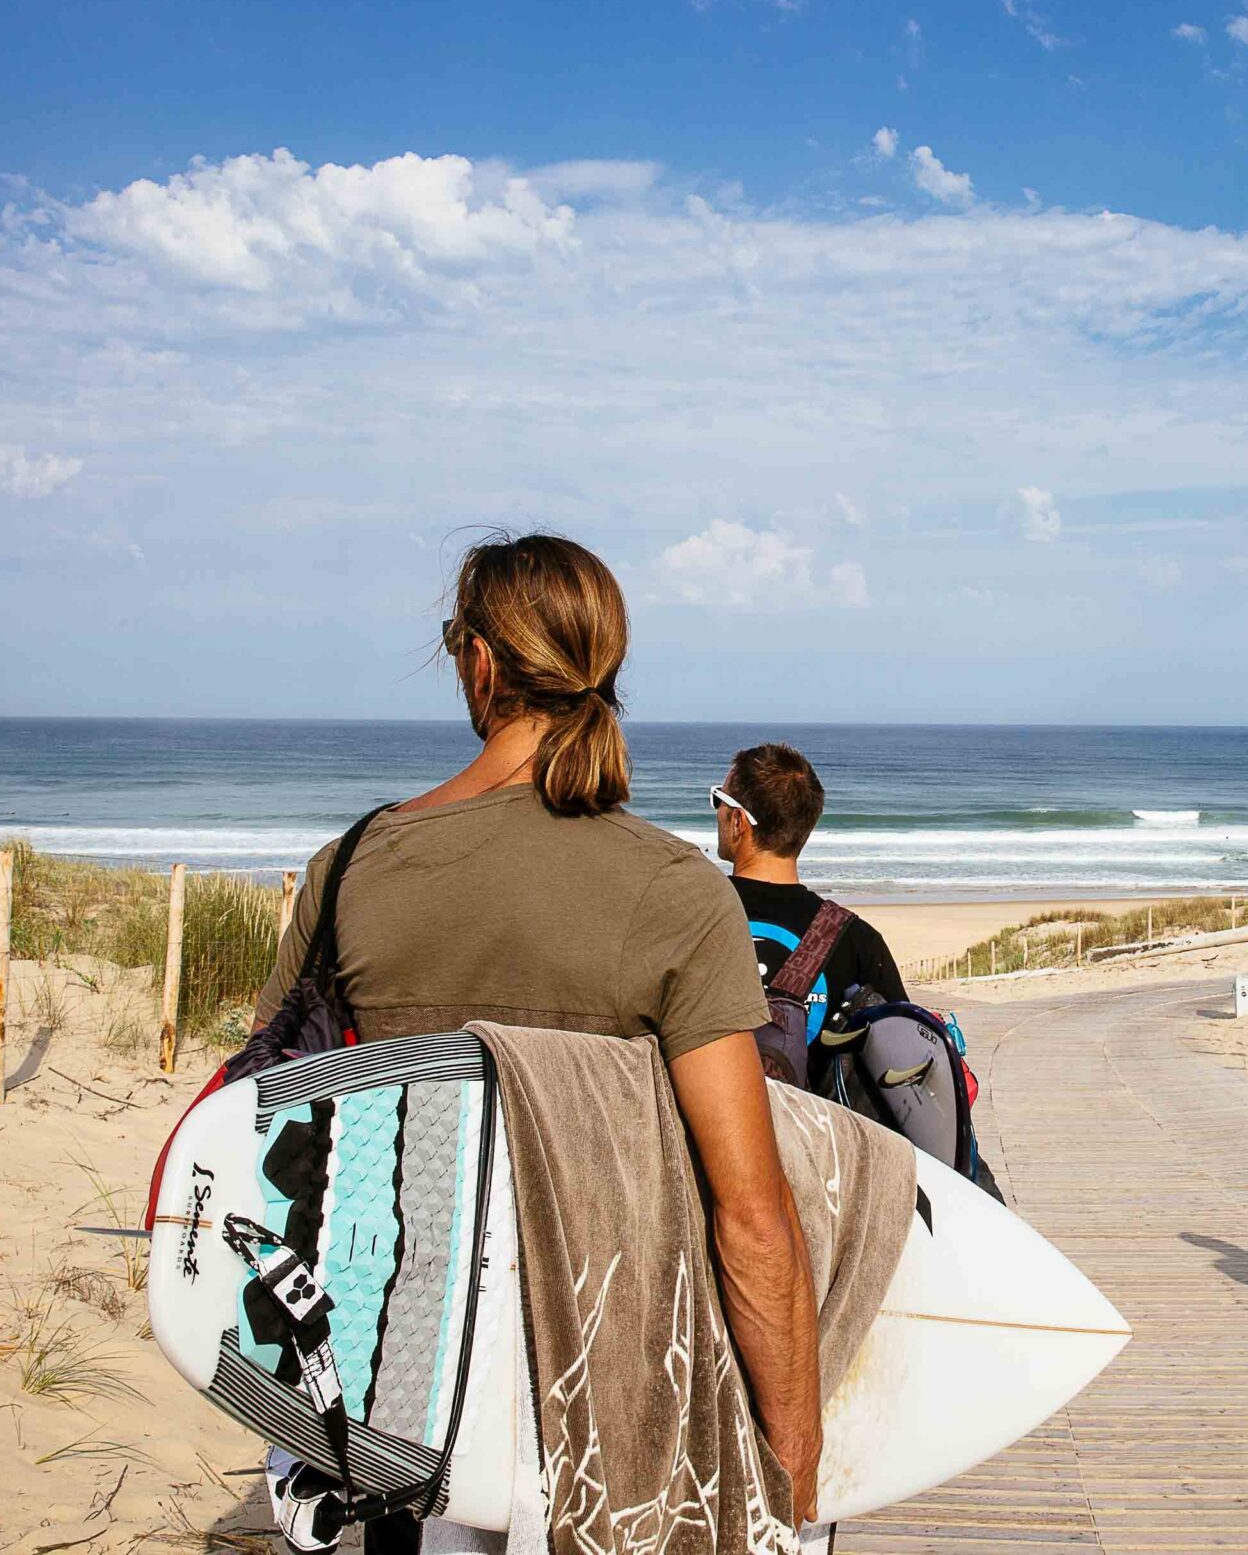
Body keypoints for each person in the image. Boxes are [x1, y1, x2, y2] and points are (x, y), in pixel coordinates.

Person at [255, 533, 823, 1524]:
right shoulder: (677, 893)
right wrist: (793, 1471)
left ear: (478, 662)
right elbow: (751, 1213)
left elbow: (266, 1123)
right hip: (608, 1404)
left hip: (398, 1391)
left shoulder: (347, 872)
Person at [713, 742, 908, 1068]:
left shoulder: (688, 910)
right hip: (815, 1104)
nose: (716, 811)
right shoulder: (858, 940)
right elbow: (902, 1061)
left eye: (718, 799)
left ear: (738, 821)